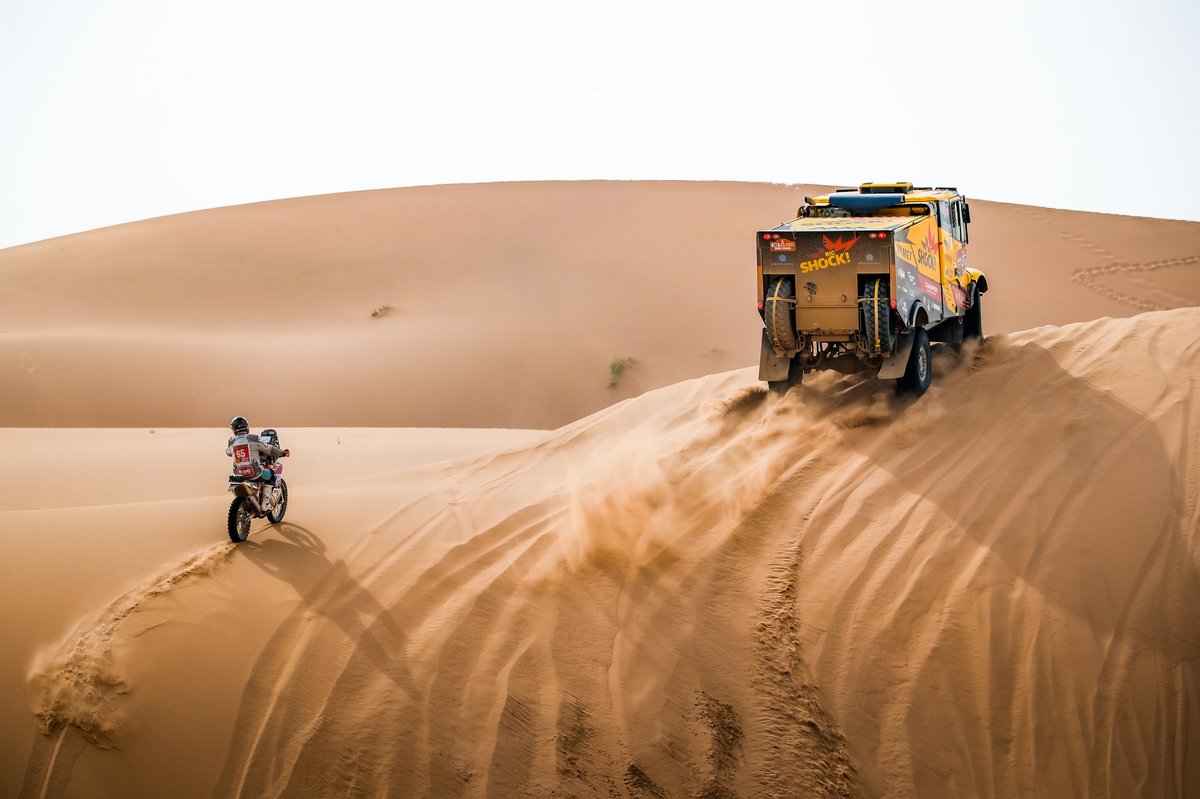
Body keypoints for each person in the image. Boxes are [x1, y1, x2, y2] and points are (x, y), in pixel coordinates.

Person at [226, 416, 289, 484]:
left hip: (239, 475)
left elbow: (228, 452)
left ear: (233, 429)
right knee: (271, 474)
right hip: (255, 474)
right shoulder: (254, 438)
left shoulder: (231, 442)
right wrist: (282, 453)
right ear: (247, 426)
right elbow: (270, 449)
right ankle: (266, 494)